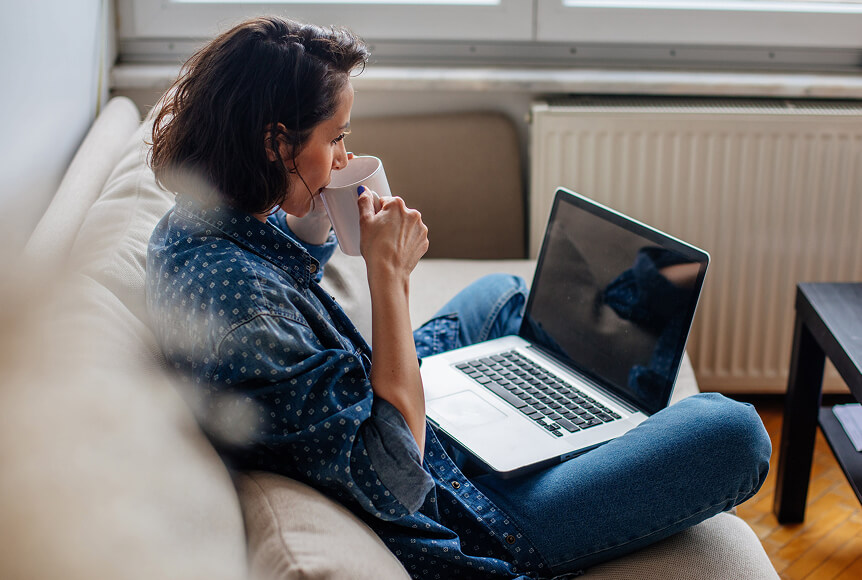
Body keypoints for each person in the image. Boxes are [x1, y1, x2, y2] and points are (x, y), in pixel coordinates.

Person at [146, 16, 771, 579]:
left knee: (501, 295)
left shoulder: (201, 224)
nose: (346, 158)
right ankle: (579, 425)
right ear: (276, 143)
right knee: (734, 431)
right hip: (465, 508)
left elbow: (283, 269)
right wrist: (389, 275)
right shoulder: (244, 313)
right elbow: (396, 473)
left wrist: (316, 209)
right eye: (334, 139)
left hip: (390, 415)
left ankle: (566, 413)